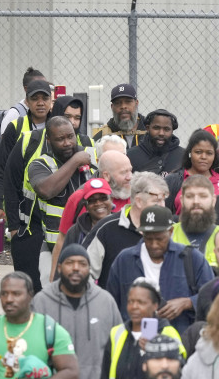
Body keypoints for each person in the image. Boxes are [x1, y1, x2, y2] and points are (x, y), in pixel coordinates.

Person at [31, 244, 122, 379]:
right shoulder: (41, 302)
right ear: (58, 267)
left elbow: (119, 350)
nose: (75, 268)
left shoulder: (106, 302)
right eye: (69, 263)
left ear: (89, 269)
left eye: (82, 263)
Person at [105, 206, 215, 333]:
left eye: (159, 239)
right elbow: (112, 304)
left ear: (171, 231)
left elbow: (213, 296)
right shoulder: (124, 260)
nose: (154, 244)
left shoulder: (191, 258)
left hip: (180, 340)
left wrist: (188, 302)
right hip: (135, 341)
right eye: (148, 238)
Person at [0, 78, 54, 283]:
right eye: (34, 98)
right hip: (23, 212)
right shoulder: (16, 128)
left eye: (44, 98)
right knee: (27, 276)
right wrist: (5, 214)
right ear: (26, 102)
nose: (40, 103)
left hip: (53, 211)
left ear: (51, 101)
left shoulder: (61, 128)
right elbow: (2, 170)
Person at [93, 279, 185, 379]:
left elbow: (180, 377)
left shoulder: (168, 334)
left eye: (141, 302)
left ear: (155, 305)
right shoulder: (117, 333)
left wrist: (155, 352)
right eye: (130, 301)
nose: (134, 307)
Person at [22, 115, 97, 282]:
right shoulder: (39, 164)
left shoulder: (92, 157)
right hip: (54, 248)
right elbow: (46, 190)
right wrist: (76, 160)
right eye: (60, 139)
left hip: (90, 246)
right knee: (52, 298)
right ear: (49, 140)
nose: (68, 143)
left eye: (70, 136)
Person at [49, 151, 131, 279]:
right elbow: (61, 241)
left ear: (110, 201)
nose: (129, 177)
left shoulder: (133, 201)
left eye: (130, 171)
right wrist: (55, 280)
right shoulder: (76, 201)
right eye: (123, 172)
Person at [85, 172, 170, 286]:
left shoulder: (170, 229)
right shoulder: (106, 228)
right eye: (156, 201)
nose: (162, 206)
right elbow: (83, 273)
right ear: (138, 201)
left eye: (163, 200)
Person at [167, 128, 219, 214]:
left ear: (215, 155)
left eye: (209, 153)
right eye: (198, 152)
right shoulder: (173, 180)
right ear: (190, 153)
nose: (203, 157)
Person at [171, 175, 219, 267]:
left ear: (213, 200)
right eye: (190, 196)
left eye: (203, 196)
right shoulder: (168, 235)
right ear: (182, 201)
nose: (196, 201)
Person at [0, 67, 47, 141]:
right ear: (26, 89)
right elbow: (6, 146)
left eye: (44, 84)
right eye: (36, 85)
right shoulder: (14, 114)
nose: (41, 88)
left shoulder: (48, 111)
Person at [128, 109, 183, 178]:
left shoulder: (183, 156)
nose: (161, 133)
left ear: (172, 131)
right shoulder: (131, 156)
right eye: (156, 128)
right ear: (148, 128)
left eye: (166, 129)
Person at [91, 83, 144, 148]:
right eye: (118, 103)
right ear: (112, 107)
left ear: (136, 103)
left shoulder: (149, 130)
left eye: (128, 102)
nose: (123, 106)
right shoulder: (103, 135)